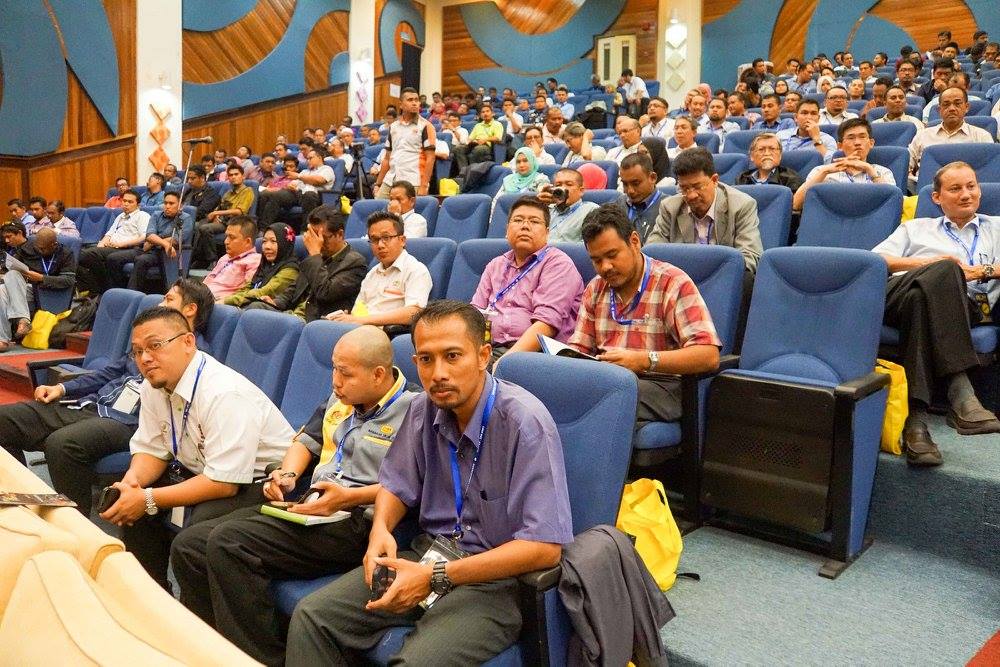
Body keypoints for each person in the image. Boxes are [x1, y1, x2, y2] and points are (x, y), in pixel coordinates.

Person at [284, 299, 574, 666]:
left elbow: (544, 549)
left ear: (483, 356)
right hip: (427, 555)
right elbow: (395, 485)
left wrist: (435, 575)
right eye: (425, 359)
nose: (438, 373)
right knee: (313, 617)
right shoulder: (423, 408)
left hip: (494, 581)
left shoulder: (524, 423)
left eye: (452, 356)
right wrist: (381, 531)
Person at [170, 326, 419, 666]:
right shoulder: (341, 398)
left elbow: (412, 485)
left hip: (358, 520)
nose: (336, 381)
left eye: (345, 373)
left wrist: (346, 498)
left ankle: (259, 659)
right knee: (189, 545)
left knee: (229, 542)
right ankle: (211, 651)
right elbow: (306, 442)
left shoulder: (414, 410)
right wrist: (287, 475)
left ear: (378, 374)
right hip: (313, 505)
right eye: (334, 369)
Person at [99, 306, 293, 589]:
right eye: (137, 351)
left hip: (262, 483)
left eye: (155, 346)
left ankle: (196, 611)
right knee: (135, 509)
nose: (145, 358)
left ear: (188, 342)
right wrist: (132, 484)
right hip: (203, 470)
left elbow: (224, 483)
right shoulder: (153, 386)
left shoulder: (223, 392)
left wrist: (148, 498)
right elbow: (153, 449)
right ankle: (152, 596)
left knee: (192, 535)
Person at [0, 280, 212, 514]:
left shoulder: (193, 354)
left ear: (190, 309)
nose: (161, 304)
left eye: (169, 299)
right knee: (4, 420)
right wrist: (62, 388)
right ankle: (18, 507)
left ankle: (76, 525)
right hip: (93, 405)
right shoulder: (144, 341)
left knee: (62, 443)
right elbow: (108, 373)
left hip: (127, 421)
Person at [871, 162, 1000, 466]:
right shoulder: (915, 228)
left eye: (971, 186)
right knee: (941, 271)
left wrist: (981, 271)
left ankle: (916, 422)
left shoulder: (997, 226)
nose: (966, 194)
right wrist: (930, 265)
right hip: (897, 295)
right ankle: (961, 394)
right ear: (937, 197)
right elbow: (876, 260)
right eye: (955, 188)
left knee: (921, 300)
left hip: (966, 306)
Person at [568, 204, 721, 429]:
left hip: (661, 385)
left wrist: (644, 360)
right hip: (607, 380)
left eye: (612, 255)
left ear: (634, 241)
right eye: (597, 260)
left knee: (602, 399)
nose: (605, 267)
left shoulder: (672, 283)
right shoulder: (595, 288)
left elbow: (708, 355)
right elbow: (579, 349)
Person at [471, 195, 583, 364]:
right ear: (507, 229)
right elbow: (474, 314)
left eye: (534, 221)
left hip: (535, 356)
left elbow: (546, 325)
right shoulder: (496, 265)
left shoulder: (558, 264)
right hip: (490, 349)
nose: (525, 226)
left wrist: (505, 363)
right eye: (518, 220)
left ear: (547, 232)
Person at [648, 147, 762, 274]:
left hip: (723, 278)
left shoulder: (741, 205)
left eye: (697, 187)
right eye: (684, 188)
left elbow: (750, 257)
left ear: (714, 180)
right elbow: (652, 253)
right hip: (682, 279)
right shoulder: (670, 207)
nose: (691, 195)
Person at [249, 205, 366, 321]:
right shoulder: (316, 256)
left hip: (317, 321)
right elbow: (295, 288)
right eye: (313, 236)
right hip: (293, 315)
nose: (318, 242)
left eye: (322, 238)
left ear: (340, 234)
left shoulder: (354, 263)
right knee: (255, 309)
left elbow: (325, 293)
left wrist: (315, 255)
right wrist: (276, 302)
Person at [327, 211, 431, 329]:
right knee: (322, 328)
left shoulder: (416, 270)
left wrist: (362, 320)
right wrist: (347, 317)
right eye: (374, 239)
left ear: (402, 240)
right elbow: (360, 309)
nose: (380, 245)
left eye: (386, 238)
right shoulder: (372, 273)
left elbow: (414, 313)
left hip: (386, 333)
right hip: (362, 328)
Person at [793, 118, 896, 211]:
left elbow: (893, 205)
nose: (857, 142)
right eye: (851, 138)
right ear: (840, 146)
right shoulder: (822, 171)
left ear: (871, 143)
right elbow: (796, 204)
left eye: (862, 137)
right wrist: (824, 172)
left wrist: (869, 170)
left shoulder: (882, 172)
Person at [908, 87, 994, 180]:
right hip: (928, 186)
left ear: (967, 107)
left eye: (957, 104)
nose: (952, 108)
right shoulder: (923, 135)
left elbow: (990, 172)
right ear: (939, 110)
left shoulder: (982, 136)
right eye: (946, 104)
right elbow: (907, 165)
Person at [76, 189, 150, 295]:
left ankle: (106, 289)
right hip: (113, 247)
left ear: (138, 205)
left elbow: (144, 237)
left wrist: (121, 244)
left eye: (130, 202)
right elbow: (109, 234)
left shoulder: (142, 216)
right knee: (80, 255)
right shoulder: (120, 216)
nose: (126, 204)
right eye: (124, 201)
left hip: (131, 248)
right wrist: (101, 243)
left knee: (100, 256)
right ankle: (99, 289)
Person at [127, 191, 194, 293]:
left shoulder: (185, 218)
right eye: (165, 203)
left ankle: (131, 293)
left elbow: (175, 240)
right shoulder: (156, 215)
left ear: (181, 206)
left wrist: (154, 241)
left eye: (171, 203)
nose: (167, 206)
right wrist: (165, 243)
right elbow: (149, 235)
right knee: (114, 258)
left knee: (141, 260)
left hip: (165, 253)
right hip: (148, 249)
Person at [375, 88, 436, 198]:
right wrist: (378, 184)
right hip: (390, 179)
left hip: (413, 181)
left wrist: (424, 186)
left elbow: (430, 158)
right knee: (377, 206)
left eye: (416, 100)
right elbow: (387, 158)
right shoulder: (393, 126)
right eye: (410, 100)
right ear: (401, 105)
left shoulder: (426, 126)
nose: (414, 103)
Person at [257, 148, 335, 231]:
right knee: (275, 195)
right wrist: (290, 185)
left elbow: (319, 180)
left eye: (310, 158)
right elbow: (295, 183)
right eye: (307, 159)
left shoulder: (326, 169)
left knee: (309, 195)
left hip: (316, 195)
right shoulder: (305, 171)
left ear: (319, 158)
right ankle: (263, 229)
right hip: (297, 193)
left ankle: (305, 231)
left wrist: (298, 176)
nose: (308, 161)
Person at [225, 223, 300, 308]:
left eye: (273, 241)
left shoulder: (290, 270)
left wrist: (227, 301)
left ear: (284, 244)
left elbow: (264, 292)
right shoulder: (265, 265)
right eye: (264, 241)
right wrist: (227, 299)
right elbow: (248, 287)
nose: (267, 247)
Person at [202, 217, 262, 301]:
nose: (226, 241)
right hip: (202, 295)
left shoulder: (255, 261)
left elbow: (247, 292)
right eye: (226, 236)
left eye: (232, 237)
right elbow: (208, 280)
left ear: (247, 241)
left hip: (220, 302)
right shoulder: (225, 257)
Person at [537, 168, 599, 243]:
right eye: (558, 185)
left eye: (569, 184)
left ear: (581, 191)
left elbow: (590, 245)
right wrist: (538, 206)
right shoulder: (546, 209)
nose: (563, 188)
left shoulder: (591, 210)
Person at [616, 152, 664, 244]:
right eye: (625, 184)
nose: (630, 190)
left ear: (653, 178)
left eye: (636, 183)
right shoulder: (619, 204)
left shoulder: (668, 208)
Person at [736, 132, 804, 192]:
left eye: (772, 149)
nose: (767, 153)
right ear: (752, 156)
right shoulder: (742, 178)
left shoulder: (791, 179)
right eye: (761, 149)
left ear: (780, 155)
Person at [776, 99, 837, 163]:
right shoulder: (780, 135)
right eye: (804, 113)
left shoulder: (828, 139)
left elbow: (830, 163)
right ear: (796, 117)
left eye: (813, 113)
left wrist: (817, 140)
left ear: (818, 118)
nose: (809, 117)